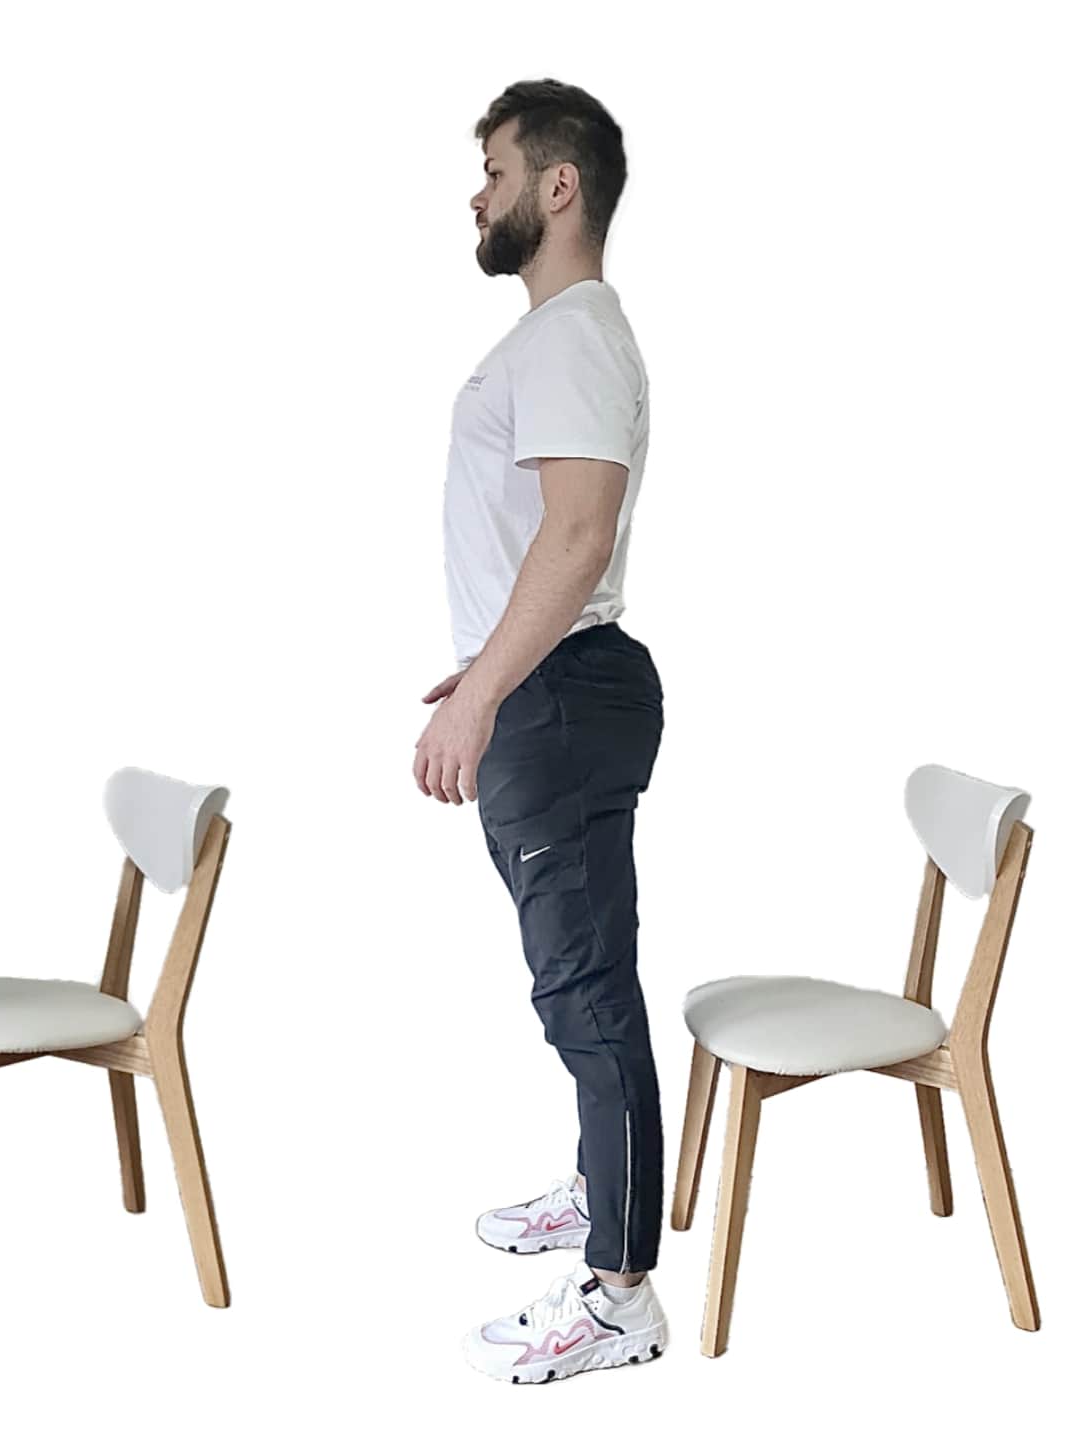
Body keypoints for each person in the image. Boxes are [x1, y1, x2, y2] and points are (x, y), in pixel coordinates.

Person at [412, 80, 668, 1383]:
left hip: (560, 695)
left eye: (495, 169)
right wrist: (480, 674)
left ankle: (621, 1291)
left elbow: (576, 536)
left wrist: (481, 693)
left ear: (556, 185)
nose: (478, 192)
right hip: (548, 687)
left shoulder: (570, 334)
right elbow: (539, 547)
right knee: (572, 981)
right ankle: (599, 1183)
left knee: (583, 989)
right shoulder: (557, 335)